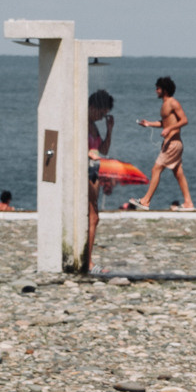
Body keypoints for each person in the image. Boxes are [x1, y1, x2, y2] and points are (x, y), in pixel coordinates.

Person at [137, 75, 195, 210]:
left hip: (173, 144)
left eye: (158, 88)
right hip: (172, 144)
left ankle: (146, 201)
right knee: (178, 172)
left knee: (156, 169)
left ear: (164, 90)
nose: (156, 91)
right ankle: (188, 203)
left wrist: (169, 128)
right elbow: (165, 123)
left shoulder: (173, 102)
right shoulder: (165, 105)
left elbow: (184, 120)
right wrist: (148, 124)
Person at [81, 88, 115, 271]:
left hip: (93, 171)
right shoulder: (81, 123)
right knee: (92, 216)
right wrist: (88, 153)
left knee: (94, 217)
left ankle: (88, 258)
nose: (102, 117)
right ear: (93, 107)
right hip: (86, 171)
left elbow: (103, 149)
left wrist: (109, 130)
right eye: (101, 113)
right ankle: (88, 261)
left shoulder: (93, 126)